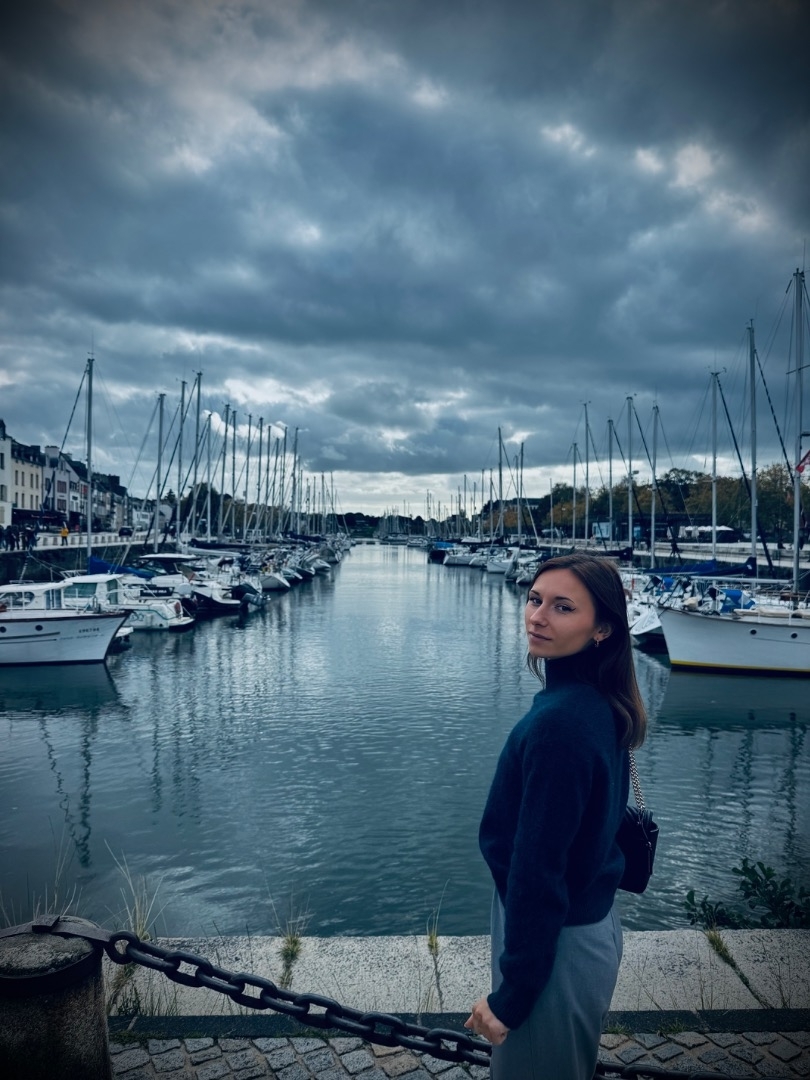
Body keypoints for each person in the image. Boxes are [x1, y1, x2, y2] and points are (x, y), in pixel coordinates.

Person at [465, 552, 647, 1080]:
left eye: (563, 607)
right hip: (585, 924)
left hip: (556, 945)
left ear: (602, 629)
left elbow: (538, 868)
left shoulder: (561, 722)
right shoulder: (597, 701)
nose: (538, 617)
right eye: (535, 599)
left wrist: (514, 995)